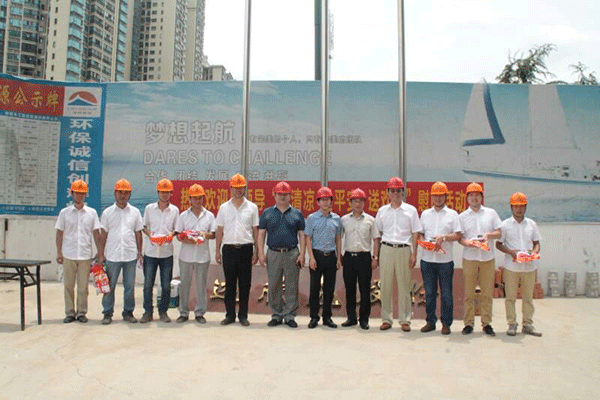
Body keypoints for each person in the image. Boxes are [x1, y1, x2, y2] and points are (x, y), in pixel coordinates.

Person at [374, 177, 422, 332]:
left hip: (404, 249)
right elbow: (377, 234)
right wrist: (376, 255)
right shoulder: (382, 211)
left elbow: (415, 233)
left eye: (398, 190)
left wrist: (414, 254)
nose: (395, 193)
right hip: (386, 249)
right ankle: (386, 319)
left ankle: (405, 319)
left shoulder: (411, 210)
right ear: (388, 193)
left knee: (404, 285)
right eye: (392, 191)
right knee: (385, 285)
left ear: (403, 192)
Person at [257, 181, 305, 328]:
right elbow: (261, 234)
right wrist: (261, 254)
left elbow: (302, 235)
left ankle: (290, 316)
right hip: (273, 253)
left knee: (292, 285)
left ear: (290, 196)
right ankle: (276, 315)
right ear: (274, 195)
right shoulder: (267, 213)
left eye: (285, 194)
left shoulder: (297, 213)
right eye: (280, 194)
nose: (282, 197)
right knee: (274, 284)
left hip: (292, 253)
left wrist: (302, 254)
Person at [418, 182, 462, 335]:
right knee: (429, 293)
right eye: (435, 196)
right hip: (427, 260)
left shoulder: (452, 214)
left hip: (445, 261)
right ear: (431, 197)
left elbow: (458, 235)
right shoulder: (425, 214)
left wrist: (444, 237)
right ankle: (430, 321)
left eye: (441, 195)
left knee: (446, 293)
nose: (438, 198)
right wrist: (424, 243)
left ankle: (446, 323)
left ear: (445, 197)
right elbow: (420, 233)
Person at [55, 180, 102, 324]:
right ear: (72, 193)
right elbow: (59, 233)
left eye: (82, 193)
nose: (79, 196)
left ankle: (81, 312)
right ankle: (69, 313)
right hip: (68, 254)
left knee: (83, 287)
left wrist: (100, 253)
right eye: (77, 193)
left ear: (86, 194)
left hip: (85, 255)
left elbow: (96, 234)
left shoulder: (92, 213)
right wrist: (59, 252)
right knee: (68, 286)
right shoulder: (64, 213)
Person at [496, 192, 542, 337]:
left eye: (521, 206)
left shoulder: (531, 224)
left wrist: (534, 253)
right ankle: (512, 324)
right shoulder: (505, 225)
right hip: (512, 267)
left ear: (525, 207)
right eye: (516, 206)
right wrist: (510, 252)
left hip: (529, 267)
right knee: (510, 297)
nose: (519, 209)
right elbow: (498, 244)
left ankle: (527, 324)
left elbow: (537, 243)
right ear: (511, 207)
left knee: (528, 297)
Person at [215, 173, 259, 326]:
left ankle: (243, 315)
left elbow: (255, 231)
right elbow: (219, 230)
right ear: (231, 188)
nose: (238, 190)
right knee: (230, 284)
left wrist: (257, 251)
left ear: (245, 188)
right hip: (229, 250)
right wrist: (217, 250)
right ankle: (230, 315)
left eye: (241, 187)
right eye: (236, 187)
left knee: (245, 285)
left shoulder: (252, 207)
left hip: (246, 249)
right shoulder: (224, 208)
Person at [98, 179, 144, 325]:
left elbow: (138, 233)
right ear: (115, 194)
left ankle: (128, 312)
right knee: (109, 286)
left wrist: (140, 252)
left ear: (130, 194)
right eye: (120, 192)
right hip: (113, 255)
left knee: (129, 286)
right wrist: (101, 254)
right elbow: (103, 235)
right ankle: (107, 313)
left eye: (126, 193)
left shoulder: (135, 212)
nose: (123, 195)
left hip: (130, 255)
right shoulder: (107, 213)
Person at [458, 182, 502, 336]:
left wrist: (489, 235)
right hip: (469, 258)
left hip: (487, 259)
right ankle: (468, 323)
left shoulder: (491, 213)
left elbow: (499, 232)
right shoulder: (462, 217)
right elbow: (459, 237)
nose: (474, 198)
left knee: (487, 293)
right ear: (467, 198)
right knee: (469, 293)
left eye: (477, 195)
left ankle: (487, 323)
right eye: (471, 195)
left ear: (482, 197)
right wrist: (466, 243)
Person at [175, 184, 216, 324]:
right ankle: (183, 312)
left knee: (201, 286)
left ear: (203, 198)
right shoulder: (183, 216)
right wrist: (189, 239)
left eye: (200, 198)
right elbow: (178, 235)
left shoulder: (209, 215)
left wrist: (203, 235)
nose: (198, 201)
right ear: (190, 199)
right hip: (185, 256)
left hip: (202, 256)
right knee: (184, 285)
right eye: (195, 198)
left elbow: (213, 234)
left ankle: (199, 313)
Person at [340, 188, 380, 330]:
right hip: (349, 257)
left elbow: (376, 240)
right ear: (350, 203)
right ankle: (351, 318)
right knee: (349, 289)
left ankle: (364, 319)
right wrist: (339, 255)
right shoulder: (344, 220)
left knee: (365, 290)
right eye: (355, 201)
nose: (358, 204)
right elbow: (338, 238)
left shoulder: (371, 220)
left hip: (364, 257)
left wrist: (375, 257)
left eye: (361, 201)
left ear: (364, 203)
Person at [140, 179, 179, 324]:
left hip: (166, 253)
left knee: (166, 285)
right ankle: (147, 312)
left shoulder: (174, 210)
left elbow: (177, 229)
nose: (164, 194)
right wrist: (150, 235)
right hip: (150, 253)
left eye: (167, 192)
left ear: (171, 193)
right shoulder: (149, 208)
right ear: (157, 192)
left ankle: (163, 312)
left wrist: (171, 235)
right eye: (162, 192)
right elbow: (144, 226)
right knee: (147, 285)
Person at [305, 186, 342, 329]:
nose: (325, 202)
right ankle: (314, 317)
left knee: (329, 289)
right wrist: (311, 257)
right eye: (322, 200)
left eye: (328, 199)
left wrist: (338, 258)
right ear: (318, 202)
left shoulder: (337, 219)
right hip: (317, 256)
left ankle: (327, 317)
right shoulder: (312, 218)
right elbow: (308, 238)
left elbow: (338, 239)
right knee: (314, 288)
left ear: (331, 201)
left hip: (331, 256)